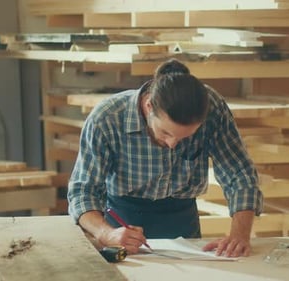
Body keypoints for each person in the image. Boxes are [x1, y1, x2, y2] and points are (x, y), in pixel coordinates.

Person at [68, 59, 263, 257]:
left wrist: (240, 235)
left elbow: (239, 174)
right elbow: (83, 191)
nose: (172, 144)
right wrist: (106, 233)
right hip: (122, 224)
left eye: (185, 137)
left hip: (184, 221)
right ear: (149, 105)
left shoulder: (211, 108)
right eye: (166, 133)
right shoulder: (108, 117)